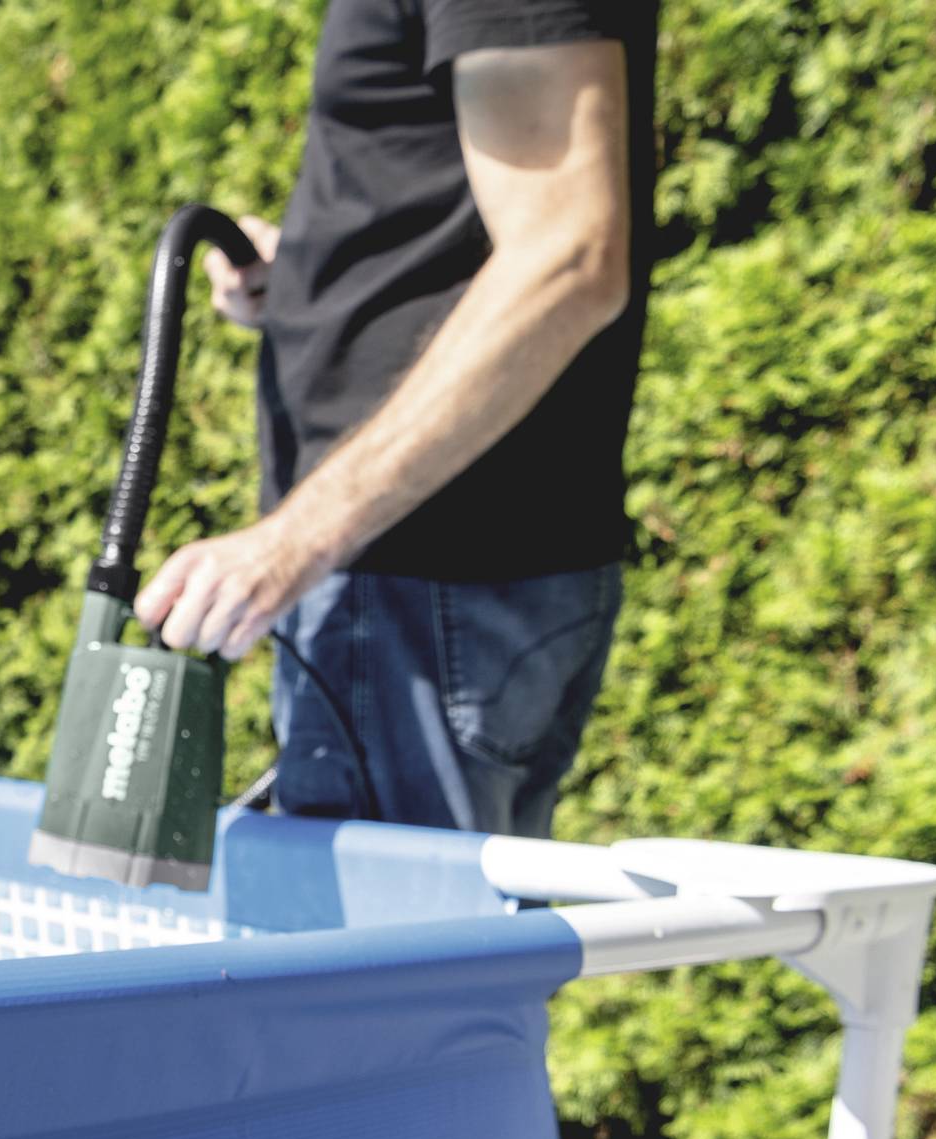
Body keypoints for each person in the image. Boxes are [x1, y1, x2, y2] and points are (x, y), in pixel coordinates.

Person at [133, 0, 657, 838]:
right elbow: (441, 205)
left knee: (395, 957)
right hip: (422, 587)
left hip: (421, 582)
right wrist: (302, 277)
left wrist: (297, 540)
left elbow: (570, 258)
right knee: (450, 953)